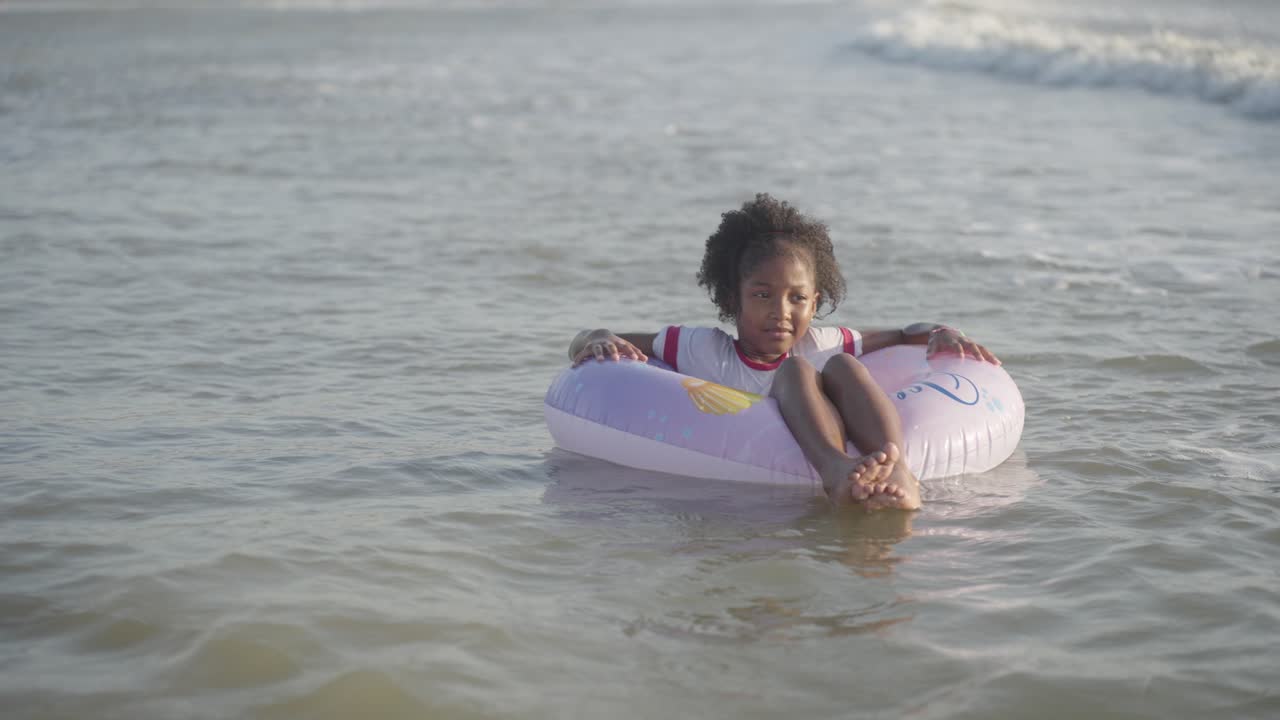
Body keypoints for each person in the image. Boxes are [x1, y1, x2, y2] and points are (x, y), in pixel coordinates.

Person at [567, 194, 1000, 510]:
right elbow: (597, 338)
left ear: (815, 302)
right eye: (762, 295)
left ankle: (897, 469)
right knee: (793, 373)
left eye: (797, 298)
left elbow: (904, 333)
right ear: (732, 299)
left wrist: (942, 332)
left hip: (828, 419)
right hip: (739, 464)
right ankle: (835, 472)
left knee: (842, 365)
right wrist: (598, 337)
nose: (781, 313)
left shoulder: (821, 344)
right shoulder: (703, 349)